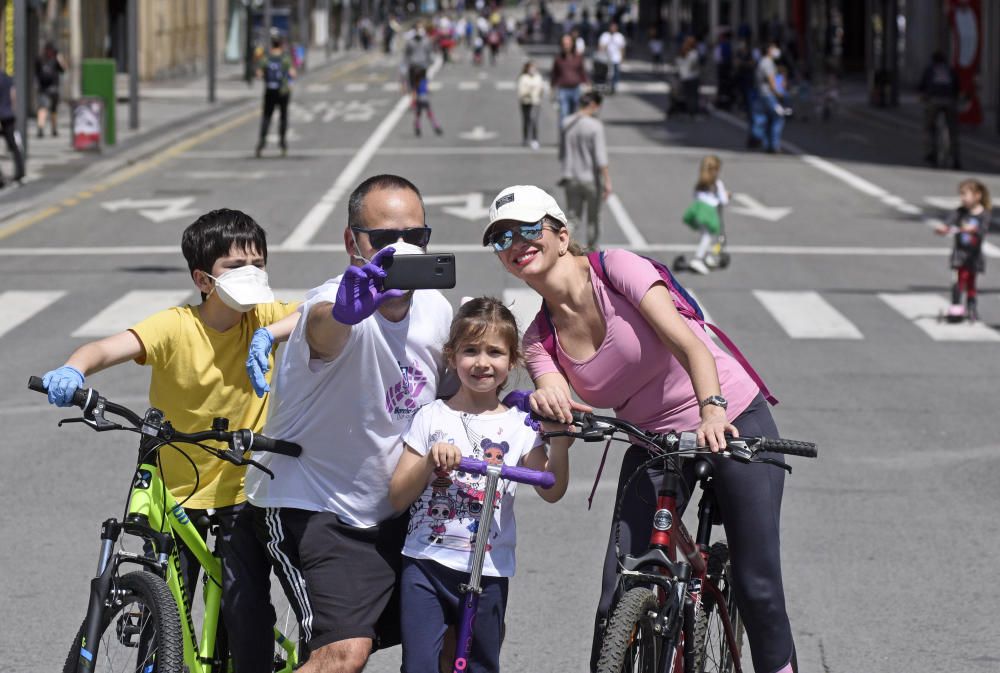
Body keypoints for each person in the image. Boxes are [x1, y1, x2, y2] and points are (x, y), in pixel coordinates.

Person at [481, 184, 801, 673]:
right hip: (653, 440)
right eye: (502, 238)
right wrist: (550, 403)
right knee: (619, 592)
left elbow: (691, 346)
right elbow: (555, 393)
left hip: (730, 416)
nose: (516, 244)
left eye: (527, 229)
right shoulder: (537, 340)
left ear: (561, 235)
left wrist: (712, 411)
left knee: (757, 584)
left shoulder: (618, 270)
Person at [41, 208, 301, 673]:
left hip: (244, 491)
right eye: (236, 266)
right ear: (203, 279)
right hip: (178, 491)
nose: (252, 274)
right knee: (162, 622)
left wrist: (272, 333)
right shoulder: (176, 325)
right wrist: (74, 369)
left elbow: (318, 311)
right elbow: (104, 348)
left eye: (258, 264)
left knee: (246, 613)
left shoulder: (264, 316)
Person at [246, 174, 455, 672]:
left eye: (415, 236)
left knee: (456, 626)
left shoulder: (436, 308)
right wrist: (344, 312)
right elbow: (323, 330)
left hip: (400, 508)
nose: (401, 248)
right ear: (352, 242)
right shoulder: (338, 302)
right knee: (343, 655)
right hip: (322, 508)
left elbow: (449, 397)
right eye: (383, 238)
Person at [388, 297, 572, 673]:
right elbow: (397, 497)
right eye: (470, 351)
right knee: (419, 665)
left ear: (512, 360)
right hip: (427, 563)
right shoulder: (431, 416)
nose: (482, 362)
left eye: (495, 352)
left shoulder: (519, 426)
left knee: (481, 664)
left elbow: (552, 489)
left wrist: (559, 444)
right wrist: (430, 460)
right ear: (452, 355)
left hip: (489, 569)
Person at [560, 90, 611, 250]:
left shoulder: (567, 122)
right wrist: (607, 181)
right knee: (593, 218)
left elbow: (562, 152)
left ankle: (562, 248)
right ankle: (592, 252)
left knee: (572, 218)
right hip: (591, 179)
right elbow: (601, 157)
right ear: (593, 105)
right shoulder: (595, 126)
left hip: (571, 177)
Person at [935, 179, 990, 321]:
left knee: (971, 281)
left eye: (965, 194)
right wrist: (943, 228)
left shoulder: (984, 214)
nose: (962, 198)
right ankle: (956, 306)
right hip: (960, 253)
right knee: (960, 279)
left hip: (974, 255)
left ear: (977, 195)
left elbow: (983, 231)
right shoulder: (960, 211)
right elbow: (949, 222)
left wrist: (973, 229)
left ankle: (971, 307)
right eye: (961, 194)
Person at [682, 155, 730, 275]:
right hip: (708, 212)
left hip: (697, 210)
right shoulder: (717, 184)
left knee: (708, 235)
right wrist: (727, 195)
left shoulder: (700, 184)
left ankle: (707, 256)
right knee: (708, 236)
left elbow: (696, 195)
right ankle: (697, 259)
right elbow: (723, 200)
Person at [255, 31, 296, 158]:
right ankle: (283, 144)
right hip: (283, 92)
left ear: (272, 44)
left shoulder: (266, 58)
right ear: (281, 44)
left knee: (267, 117)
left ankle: (261, 144)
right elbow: (293, 73)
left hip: (269, 91)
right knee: (283, 117)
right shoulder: (285, 58)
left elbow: (259, 74)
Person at [919, 50, 961, 169]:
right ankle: (955, 159)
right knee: (953, 131)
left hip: (934, 100)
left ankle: (931, 153)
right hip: (950, 100)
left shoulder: (930, 69)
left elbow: (922, 85)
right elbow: (957, 86)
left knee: (929, 127)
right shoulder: (950, 69)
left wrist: (923, 94)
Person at [750, 40, 785, 153]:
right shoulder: (767, 62)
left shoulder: (764, 62)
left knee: (767, 119)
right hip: (768, 95)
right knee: (778, 118)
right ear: (769, 50)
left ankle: (767, 144)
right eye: (774, 48)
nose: (776, 51)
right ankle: (773, 145)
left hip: (762, 94)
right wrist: (779, 93)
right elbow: (772, 80)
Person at [550, 33, 588, 130]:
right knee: (564, 114)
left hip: (576, 89)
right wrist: (552, 88)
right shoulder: (558, 59)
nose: (566, 46)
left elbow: (582, 72)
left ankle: (573, 135)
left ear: (572, 44)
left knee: (575, 115)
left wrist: (587, 85)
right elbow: (554, 74)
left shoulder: (578, 57)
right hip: (563, 90)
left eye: (568, 43)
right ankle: (564, 136)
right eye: (564, 44)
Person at [0, 69, 25, 188]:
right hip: (8, 116)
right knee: (14, 146)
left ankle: (0, 178)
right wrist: (11, 110)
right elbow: (13, 96)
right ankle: (20, 173)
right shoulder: (7, 77)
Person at [35, 41, 66, 138]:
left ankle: (43, 128)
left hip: (45, 88)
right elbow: (64, 69)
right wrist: (60, 58)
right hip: (50, 88)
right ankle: (51, 129)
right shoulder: (54, 59)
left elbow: (36, 73)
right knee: (50, 109)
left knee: (45, 108)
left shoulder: (40, 58)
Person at [517, 60, 545, 149]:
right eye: (531, 67)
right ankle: (526, 138)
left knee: (534, 120)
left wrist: (539, 94)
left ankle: (534, 139)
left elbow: (541, 88)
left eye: (534, 67)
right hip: (525, 102)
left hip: (535, 102)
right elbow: (521, 91)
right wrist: (529, 91)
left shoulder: (538, 77)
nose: (532, 69)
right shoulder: (523, 78)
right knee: (526, 120)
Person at [411, 65, 443, 137]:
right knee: (429, 114)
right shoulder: (423, 81)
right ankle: (436, 127)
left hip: (420, 100)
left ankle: (418, 127)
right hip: (424, 100)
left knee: (419, 115)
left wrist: (413, 102)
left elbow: (415, 93)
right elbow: (423, 90)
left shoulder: (417, 82)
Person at [675, 36, 702, 118]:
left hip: (684, 77)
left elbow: (678, 65)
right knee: (694, 96)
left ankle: (689, 111)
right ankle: (693, 113)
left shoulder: (681, 53)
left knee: (687, 95)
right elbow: (694, 66)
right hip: (693, 77)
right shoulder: (694, 53)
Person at [403, 22, 434, 91]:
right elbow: (429, 52)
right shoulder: (426, 40)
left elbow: (406, 54)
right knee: (419, 80)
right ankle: (419, 91)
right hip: (419, 64)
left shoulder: (411, 41)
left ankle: (417, 91)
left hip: (416, 63)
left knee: (416, 82)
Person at [597, 22, 626, 94]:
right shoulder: (605, 35)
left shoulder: (620, 36)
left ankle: (613, 86)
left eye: (614, 27)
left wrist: (622, 57)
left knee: (616, 73)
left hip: (616, 58)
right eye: (612, 27)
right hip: (606, 59)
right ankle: (606, 85)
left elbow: (622, 47)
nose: (613, 29)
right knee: (606, 73)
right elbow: (600, 47)